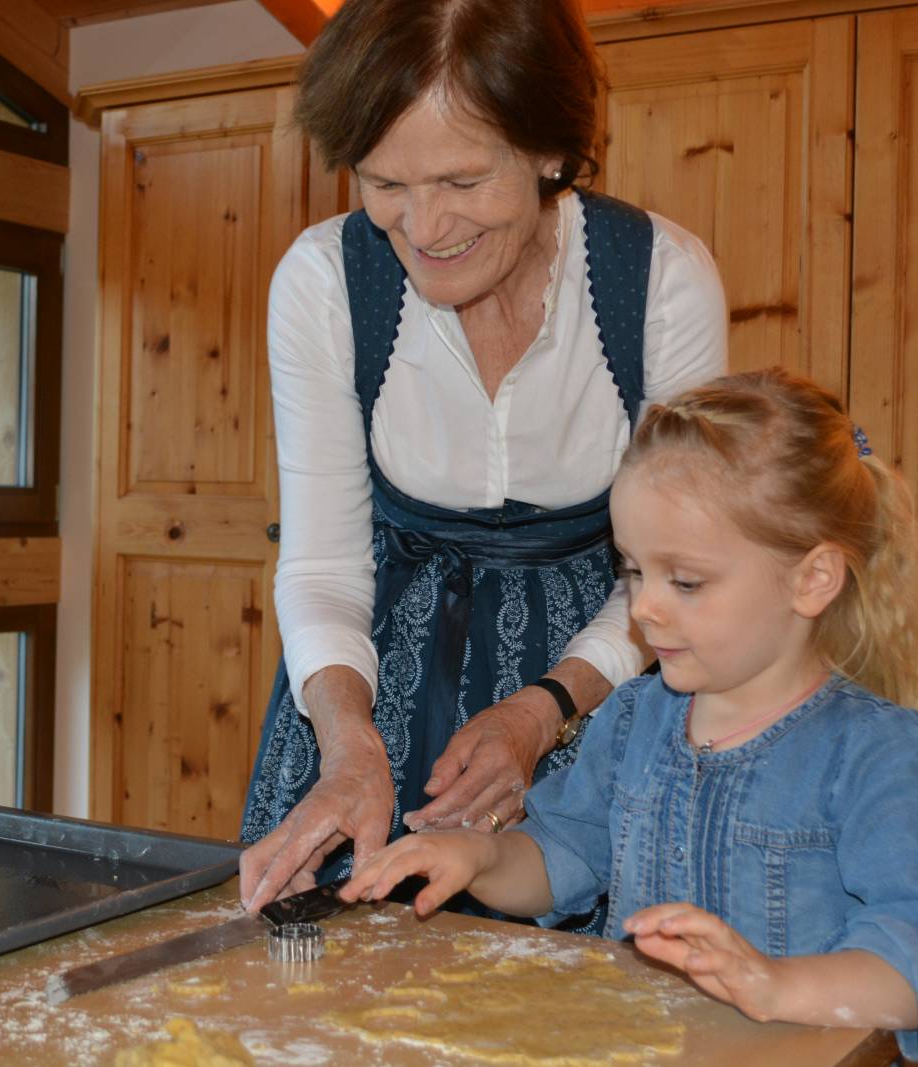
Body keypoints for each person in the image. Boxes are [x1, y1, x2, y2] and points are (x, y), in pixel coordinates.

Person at [339, 369, 918, 1063]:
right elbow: (561, 856)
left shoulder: (874, 753)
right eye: (632, 571)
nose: (645, 607)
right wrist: (478, 855)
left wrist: (773, 985)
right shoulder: (636, 719)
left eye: (685, 581)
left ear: (812, 579)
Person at [238, 0, 729, 914]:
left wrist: (543, 709)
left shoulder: (660, 281)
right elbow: (322, 562)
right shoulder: (322, 283)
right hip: (370, 680)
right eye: (384, 182)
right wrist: (348, 744)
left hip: (603, 676)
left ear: (550, 149)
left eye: (462, 180)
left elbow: (679, 570)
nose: (423, 227)